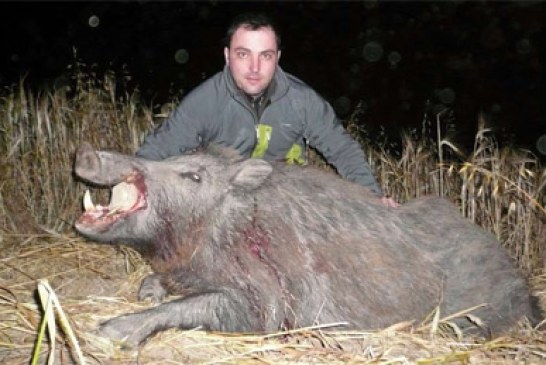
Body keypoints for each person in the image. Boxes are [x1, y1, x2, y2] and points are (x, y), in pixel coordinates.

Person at [136, 12, 398, 207]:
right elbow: (160, 148)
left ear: (278, 58)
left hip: (288, 197)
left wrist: (373, 199)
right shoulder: (204, 102)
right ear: (227, 56)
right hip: (225, 199)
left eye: (265, 55)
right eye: (243, 54)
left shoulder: (302, 100)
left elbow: (341, 149)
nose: (254, 67)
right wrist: (133, 183)